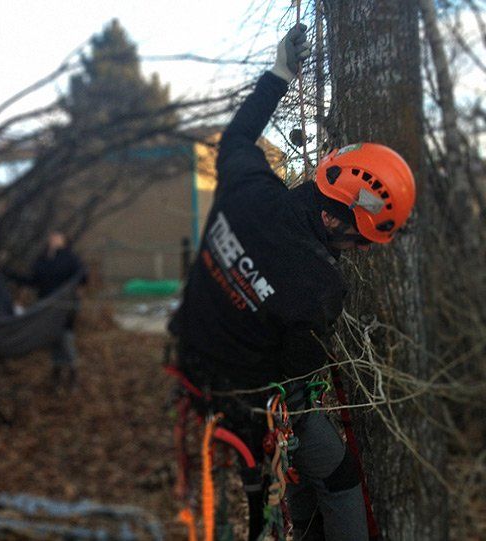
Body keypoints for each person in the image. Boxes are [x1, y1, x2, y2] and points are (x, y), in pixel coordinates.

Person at [168, 24, 416, 541]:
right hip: (245, 408)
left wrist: (280, 74)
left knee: (302, 450)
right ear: (333, 222)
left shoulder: (249, 187)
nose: (361, 252)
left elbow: (236, 137)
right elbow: (295, 382)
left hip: (190, 357)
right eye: (361, 241)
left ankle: (301, 521)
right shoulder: (319, 286)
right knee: (336, 466)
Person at [5, 231, 88, 388]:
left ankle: (72, 372)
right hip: (45, 305)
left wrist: (76, 289)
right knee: (53, 336)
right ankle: (56, 370)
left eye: (57, 237)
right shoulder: (42, 260)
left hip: (64, 305)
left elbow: (82, 276)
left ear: (64, 241)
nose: (53, 239)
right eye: (51, 237)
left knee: (65, 336)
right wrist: (12, 275)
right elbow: (34, 281)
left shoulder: (70, 258)